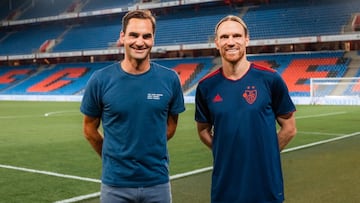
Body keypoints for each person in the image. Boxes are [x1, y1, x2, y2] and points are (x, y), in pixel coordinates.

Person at [80, 10, 185, 203]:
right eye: (133, 35)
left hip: (157, 183)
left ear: (153, 39)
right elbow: (89, 129)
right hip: (115, 186)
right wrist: (112, 155)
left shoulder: (170, 79)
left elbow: (171, 125)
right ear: (122, 37)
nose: (140, 42)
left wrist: (149, 146)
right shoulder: (100, 80)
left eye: (146, 36)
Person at [195, 15, 297, 203]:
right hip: (225, 188)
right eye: (224, 37)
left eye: (236, 36)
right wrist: (223, 150)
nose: (231, 42)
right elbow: (203, 130)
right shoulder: (206, 86)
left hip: (266, 186)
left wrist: (265, 154)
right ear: (217, 43)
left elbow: (289, 128)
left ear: (246, 39)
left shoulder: (270, 79)